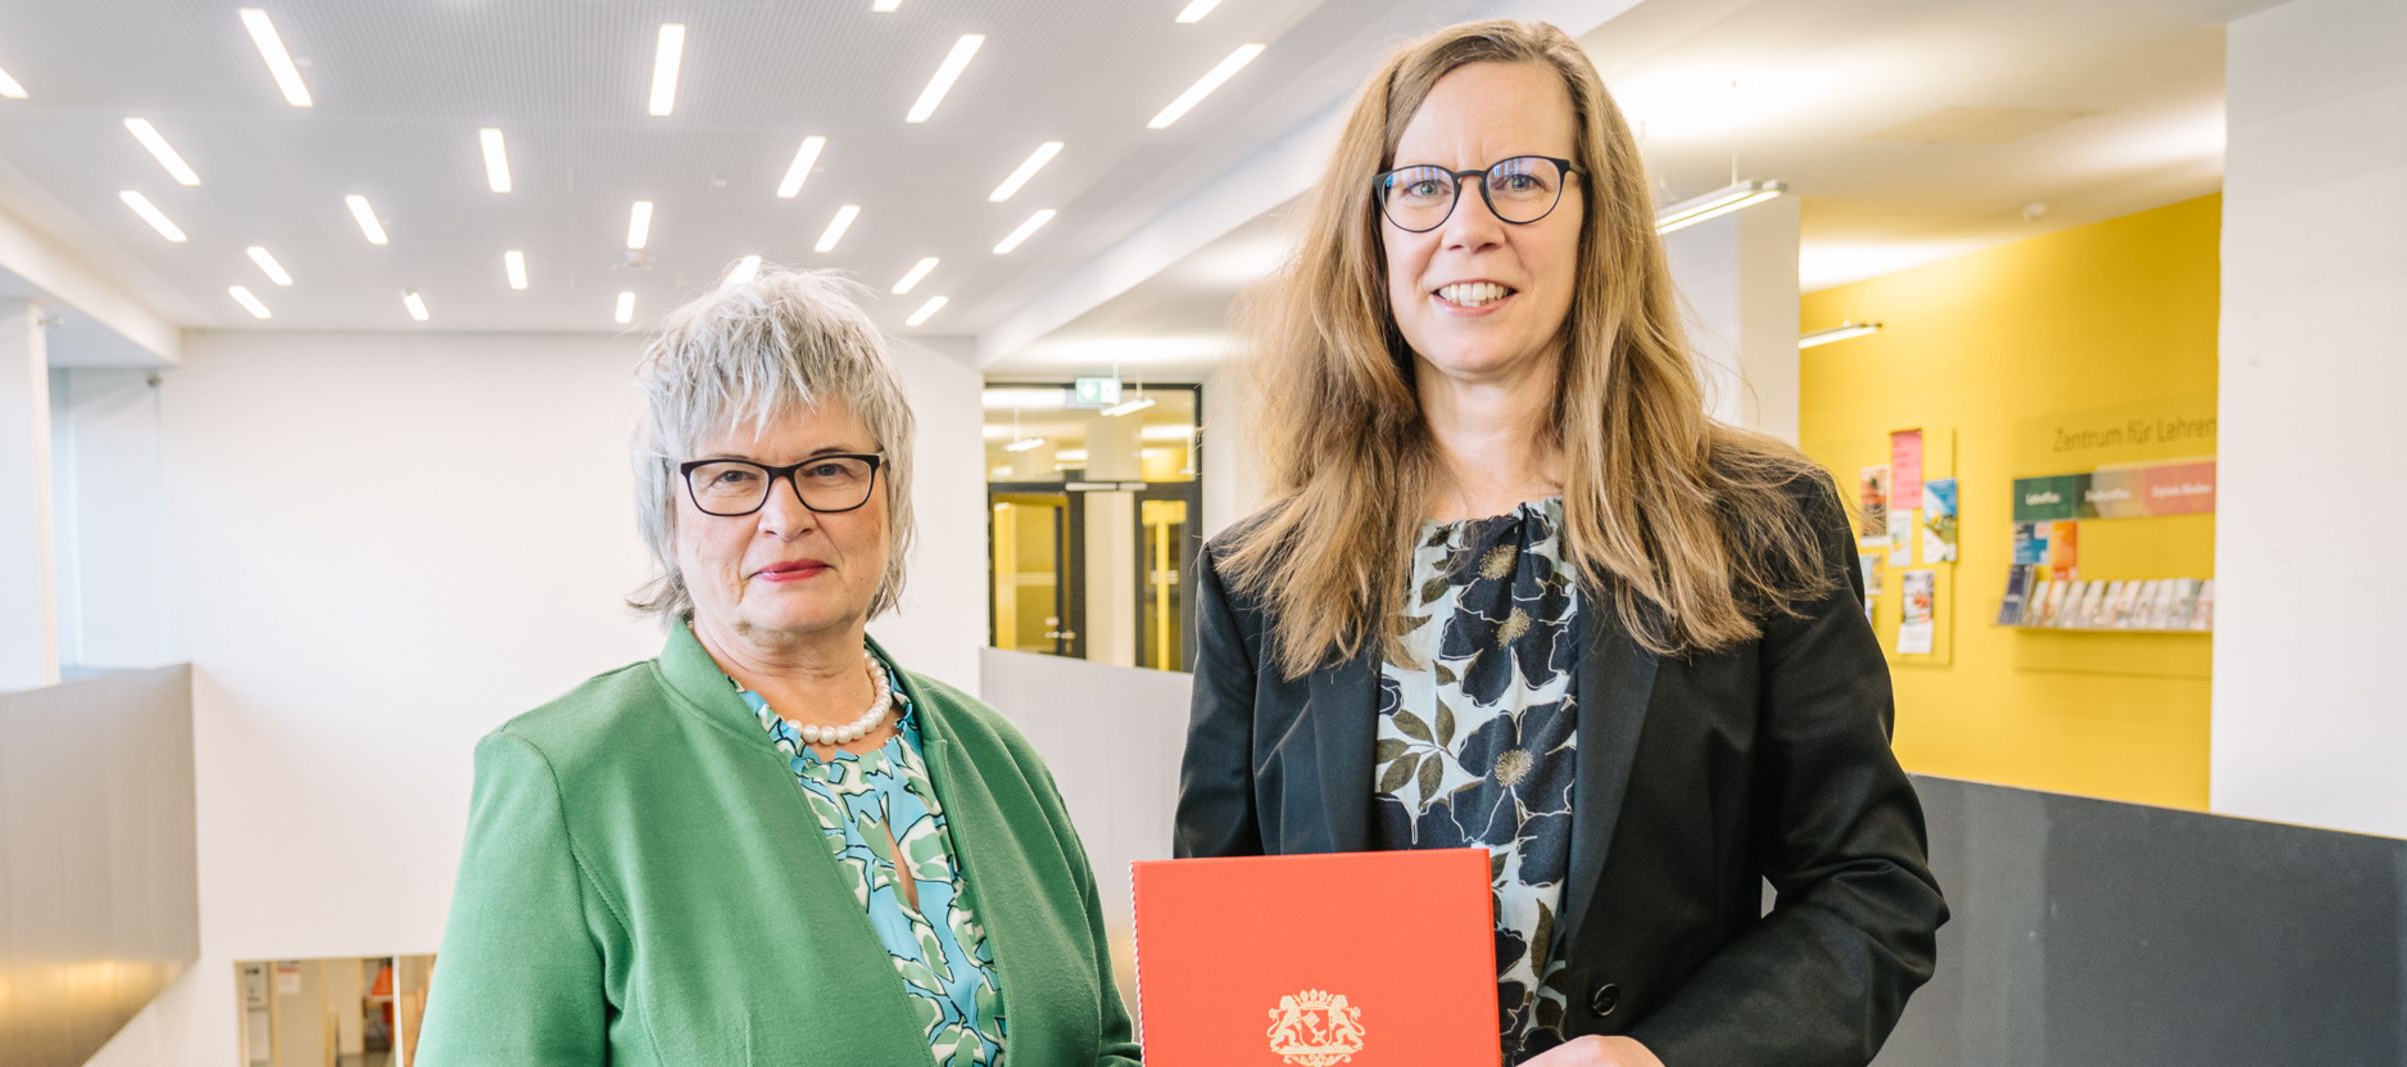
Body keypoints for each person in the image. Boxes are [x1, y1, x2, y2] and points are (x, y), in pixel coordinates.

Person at [1174, 20, 1947, 1067]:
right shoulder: (1261, 576)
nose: (1469, 226)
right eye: (1422, 186)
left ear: (1597, 216)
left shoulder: (1758, 525)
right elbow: (1231, 926)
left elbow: (1870, 888)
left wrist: (1667, 1058)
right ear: (1375, 229)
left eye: (1521, 179)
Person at [420, 268, 1139, 1066]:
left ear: (887, 496)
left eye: (828, 468)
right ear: (668, 509)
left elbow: (1104, 1045)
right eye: (731, 475)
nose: (784, 517)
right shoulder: (564, 778)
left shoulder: (999, 757)